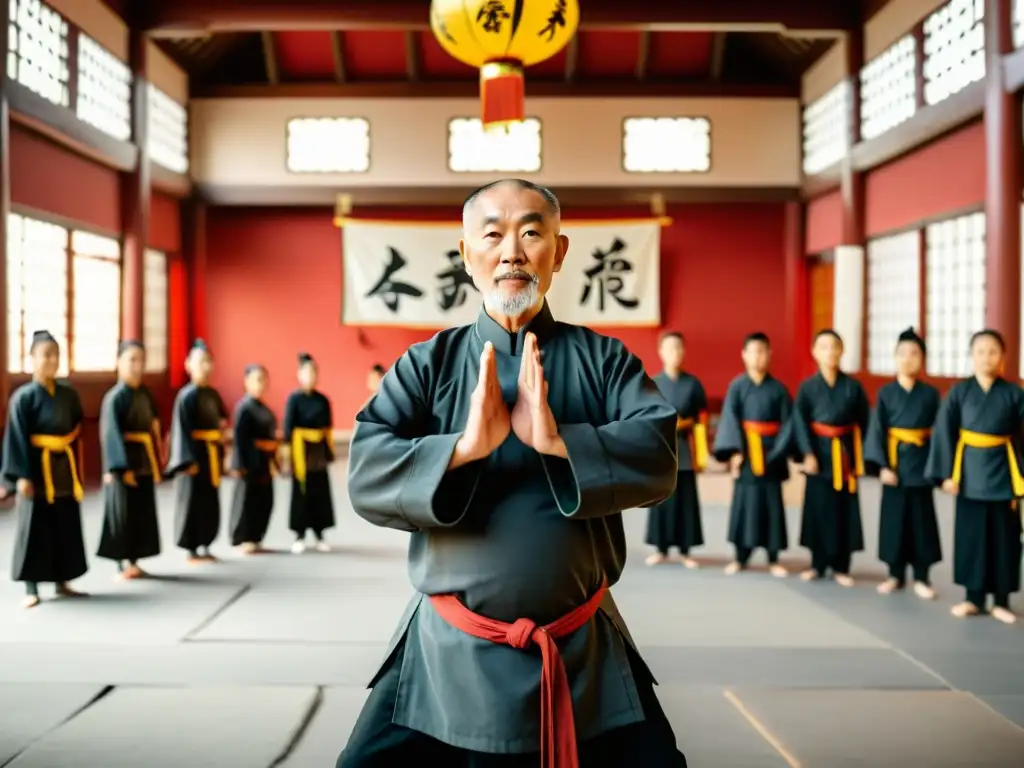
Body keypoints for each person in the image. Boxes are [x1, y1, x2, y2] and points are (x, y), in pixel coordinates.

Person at [337, 179, 687, 768]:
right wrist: (463, 449)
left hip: (581, 652)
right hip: (446, 651)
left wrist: (558, 440)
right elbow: (367, 471)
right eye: (493, 234)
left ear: (560, 249)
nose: (512, 252)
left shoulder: (605, 362)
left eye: (531, 232)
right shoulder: (427, 365)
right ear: (466, 251)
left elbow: (658, 457)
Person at [925, 329, 1023, 624]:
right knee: (972, 538)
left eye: (993, 351)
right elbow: (944, 432)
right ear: (971, 356)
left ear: (1003, 357)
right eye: (980, 351)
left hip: (1004, 474)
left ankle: (1002, 600)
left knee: (1005, 539)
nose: (987, 357)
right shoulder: (959, 392)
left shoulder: (1015, 394)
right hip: (968, 475)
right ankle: (973, 597)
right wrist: (946, 475)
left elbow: (1022, 438)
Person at [2, 330, 88, 608]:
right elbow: (16, 437)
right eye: (46, 354)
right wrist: (22, 476)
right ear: (32, 358)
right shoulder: (23, 397)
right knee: (35, 527)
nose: (52, 360)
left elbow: (76, 429)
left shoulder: (68, 394)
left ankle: (63, 580)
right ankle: (31, 587)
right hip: (35, 468)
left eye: (56, 354)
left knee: (64, 523)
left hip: (62, 466)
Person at [863, 328, 942, 599]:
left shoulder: (931, 395)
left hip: (921, 465)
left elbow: (939, 434)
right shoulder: (885, 393)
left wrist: (936, 469)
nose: (908, 359)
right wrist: (882, 466)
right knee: (894, 520)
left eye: (914, 353)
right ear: (895, 358)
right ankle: (894, 574)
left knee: (921, 521)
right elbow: (876, 431)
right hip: (894, 465)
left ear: (922, 359)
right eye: (903, 354)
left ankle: (922, 576)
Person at [791, 329, 870, 587]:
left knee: (843, 509)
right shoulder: (807, 388)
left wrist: (860, 458)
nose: (830, 352)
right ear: (814, 352)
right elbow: (800, 422)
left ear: (842, 351)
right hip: (819, 454)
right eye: (824, 347)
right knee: (818, 507)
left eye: (835, 346)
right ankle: (817, 564)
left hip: (844, 455)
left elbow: (865, 423)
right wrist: (808, 454)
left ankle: (841, 566)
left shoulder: (853, 387)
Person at [712, 332, 792, 578]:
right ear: (744, 355)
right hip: (746, 453)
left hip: (772, 454)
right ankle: (740, 557)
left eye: (762, 351)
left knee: (772, 505)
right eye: (753, 351)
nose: (758, 356)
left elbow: (789, 424)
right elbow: (730, 420)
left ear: (769, 355)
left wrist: (778, 453)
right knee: (744, 505)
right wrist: (735, 452)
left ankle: (773, 558)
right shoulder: (737, 386)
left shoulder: (779, 389)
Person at [96, 339, 163, 579]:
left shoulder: (144, 394)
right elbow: (110, 434)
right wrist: (120, 468)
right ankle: (121, 562)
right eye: (132, 359)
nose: (137, 365)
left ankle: (134, 558)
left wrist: (156, 455)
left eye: (141, 360)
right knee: (122, 512)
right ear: (119, 362)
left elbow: (153, 425)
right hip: (124, 462)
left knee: (141, 512)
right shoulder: (115, 397)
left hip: (143, 459)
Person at [645, 331, 707, 569]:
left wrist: (701, 453)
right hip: (662, 446)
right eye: (670, 348)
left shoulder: (693, 384)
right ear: (661, 352)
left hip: (686, 446)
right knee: (662, 497)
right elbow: (646, 418)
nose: (676, 353)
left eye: (679, 348)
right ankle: (661, 548)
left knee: (686, 498)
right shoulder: (652, 382)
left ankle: (685, 549)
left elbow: (701, 419)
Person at [165, 338, 228, 564]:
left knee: (209, 501)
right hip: (193, 456)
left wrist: (221, 441)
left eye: (209, 362)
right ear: (188, 364)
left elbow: (221, 419)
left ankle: (205, 543)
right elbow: (181, 430)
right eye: (201, 362)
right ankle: (191, 547)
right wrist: (186, 461)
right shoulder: (186, 396)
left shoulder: (213, 394)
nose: (206, 367)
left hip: (210, 454)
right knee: (191, 501)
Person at [284, 352, 335, 554]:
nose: (311, 377)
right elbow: (289, 429)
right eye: (307, 373)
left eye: (314, 372)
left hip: (318, 453)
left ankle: (320, 534)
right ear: (299, 375)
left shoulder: (323, 400)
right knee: (301, 492)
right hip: (300, 451)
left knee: (320, 492)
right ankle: (299, 534)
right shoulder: (294, 399)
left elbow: (327, 428)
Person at [228, 364, 279, 554]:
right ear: (247, 382)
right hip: (249, 463)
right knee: (246, 501)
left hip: (264, 463)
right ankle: (244, 537)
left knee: (264, 500)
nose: (261, 384)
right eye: (257, 379)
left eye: (264, 379)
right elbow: (240, 440)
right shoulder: (244, 408)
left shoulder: (264, 408)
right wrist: (240, 465)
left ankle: (257, 536)